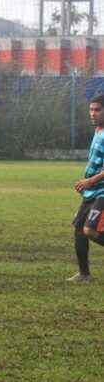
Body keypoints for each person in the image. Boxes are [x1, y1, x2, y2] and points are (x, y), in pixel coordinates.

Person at [67, 94, 104, 283]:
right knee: (79, 229)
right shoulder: (98, 130)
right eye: (91, 109)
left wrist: (90, 181)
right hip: (92, 190)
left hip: (102, 192)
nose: (93, 113)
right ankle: (84, 274)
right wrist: (86, 183)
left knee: (90, 230)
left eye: (97, 109)